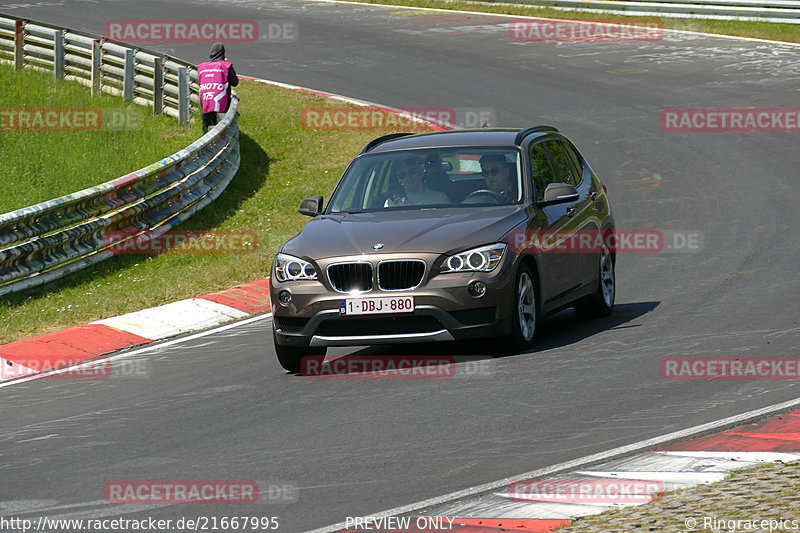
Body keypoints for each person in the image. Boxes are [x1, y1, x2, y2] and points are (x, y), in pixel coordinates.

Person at [198, 43, 239, 133]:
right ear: (223, 53)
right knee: (222, 130)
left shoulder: (201, 67)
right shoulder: (226, 65)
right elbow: (235, 82)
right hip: (221, 103)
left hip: (206, 101)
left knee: (206, 132)